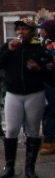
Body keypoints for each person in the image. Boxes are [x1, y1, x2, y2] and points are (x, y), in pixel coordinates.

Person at [0, 18, 49, 178]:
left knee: (32, 130)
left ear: (32, 31)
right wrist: (8, 50)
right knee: (11, 130)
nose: (21, 32)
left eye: (25, 29)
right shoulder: (9, 47)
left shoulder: (39, 49)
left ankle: (30, 167)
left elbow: (50, 72)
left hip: (34, 93)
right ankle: (9, 165)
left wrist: (38, 69)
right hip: (13, 94)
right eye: (19, 29)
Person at [39, 19, 55, 156]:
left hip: (51, 83)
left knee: (51, 112)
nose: (40, 31)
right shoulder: (46, 43)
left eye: (43, 29)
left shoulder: (51, 45)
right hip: (48, 82)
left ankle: (49, 141)